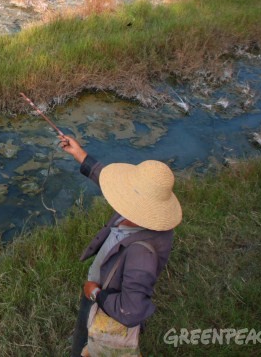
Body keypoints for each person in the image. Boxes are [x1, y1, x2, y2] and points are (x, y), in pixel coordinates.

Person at [58, 135, 181, 357]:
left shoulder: (142, 255)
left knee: (86, 344)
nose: (119, 195)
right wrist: (79, 154)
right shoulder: (139, 213)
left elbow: (131, 310)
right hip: (102, 284)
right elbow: (108, 181)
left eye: (127, 192)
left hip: (105, 299)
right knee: (84, 330)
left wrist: (95, 293)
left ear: (140, 204)